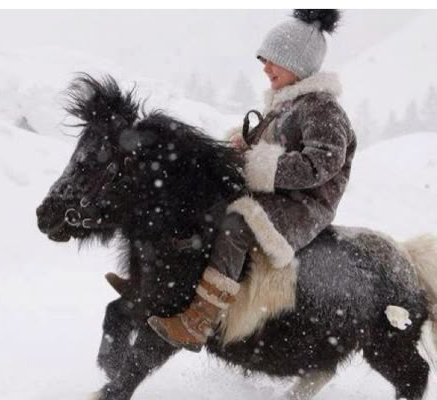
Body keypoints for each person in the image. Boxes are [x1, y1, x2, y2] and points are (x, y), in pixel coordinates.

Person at [147, 9, 357, 352]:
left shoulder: (322, 108)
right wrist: (242, 147)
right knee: (205, 204)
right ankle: (164, 283)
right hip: (279, 198)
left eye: (273, 60)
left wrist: (258, 164)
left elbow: (321, 163)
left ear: (298, 64)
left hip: (304, 207)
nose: (265, 67)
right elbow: (271, 147)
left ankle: (198, 321)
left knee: (236, 221)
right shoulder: (287, 106)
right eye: (264, 60)